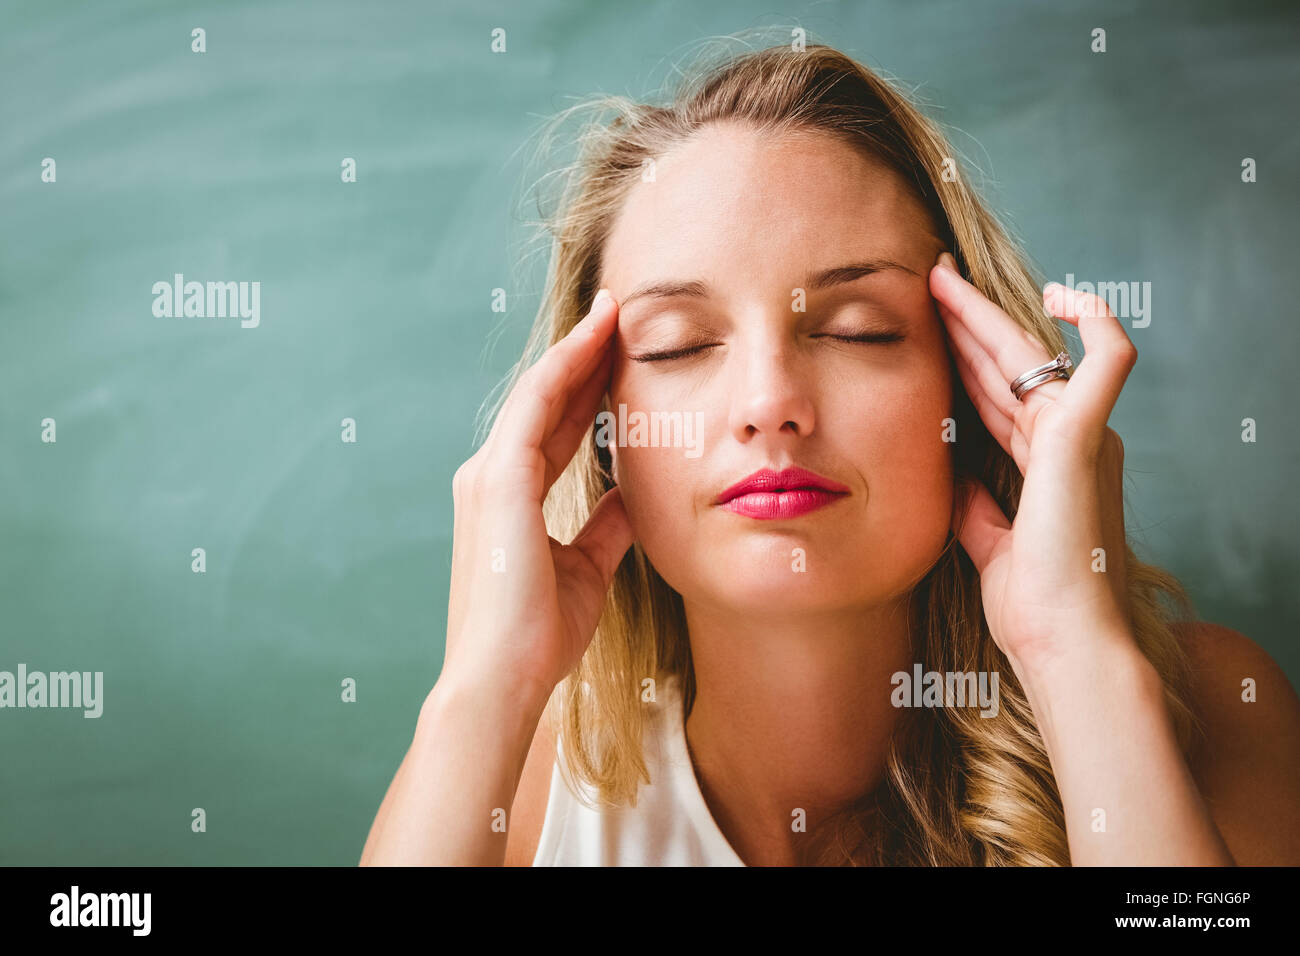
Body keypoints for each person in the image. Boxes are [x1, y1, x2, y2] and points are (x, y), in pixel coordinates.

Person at [361, 40, 1300, 866]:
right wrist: (485, 687)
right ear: (599, 435)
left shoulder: (1211, 710)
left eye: (858, 331)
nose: (770, 405)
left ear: (971, 396)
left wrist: (1075, 659)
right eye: (679, 345)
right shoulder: (520, 783)